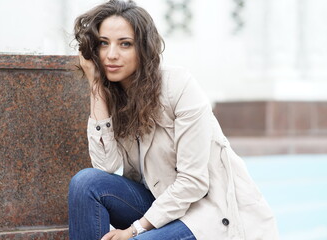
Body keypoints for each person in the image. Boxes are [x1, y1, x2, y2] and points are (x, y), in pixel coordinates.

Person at [68, 0, 279, 239]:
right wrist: (96, 86)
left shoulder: (178, 86)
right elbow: (105, 166)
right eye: (103, 44)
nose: (111, 55)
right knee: (86, 183)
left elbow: (193, 182)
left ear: (144, 48)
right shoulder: (113, 95)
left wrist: (135, 229)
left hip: (208, 212)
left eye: (125, 44)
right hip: (160, 204)